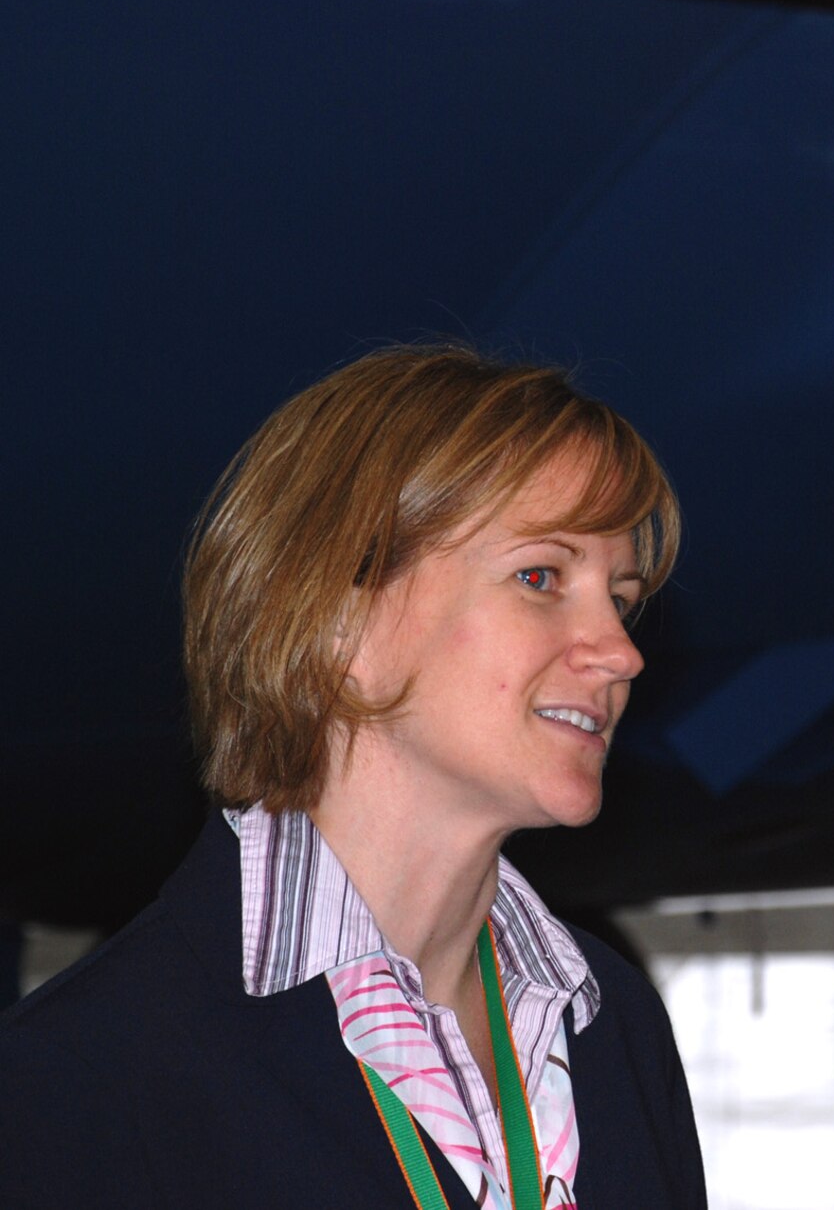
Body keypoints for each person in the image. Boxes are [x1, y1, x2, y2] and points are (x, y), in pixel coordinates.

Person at [0, 346, 706, 1207]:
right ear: (336, 623)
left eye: (621, 598)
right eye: (540, 576)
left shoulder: (611, 1025)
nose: (621, 652)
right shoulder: (79, 1079)